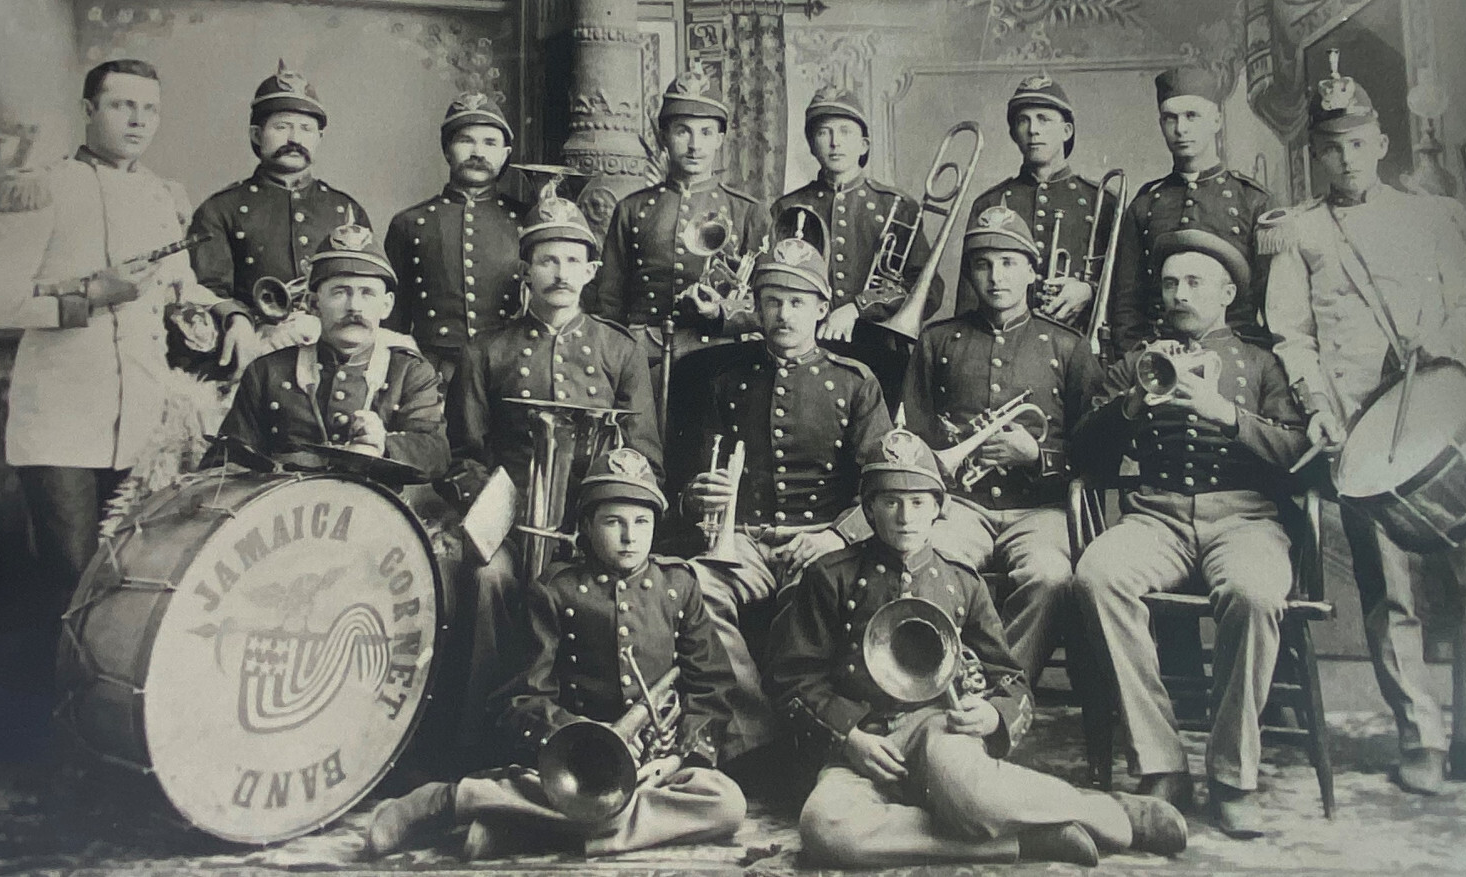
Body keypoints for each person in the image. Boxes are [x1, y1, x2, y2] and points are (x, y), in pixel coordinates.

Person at [1262, 57, 1466, 797]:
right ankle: (1420, 735)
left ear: (1381, 142)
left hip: (1436, 431)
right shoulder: (1299, 234)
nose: (1345, 158)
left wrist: (1449, 344)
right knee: (1392, 594)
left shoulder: (1430, 216)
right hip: (1361, 440)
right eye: (1329, 147)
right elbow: (1292, 335)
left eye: (1356, 142)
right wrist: (1319, 406)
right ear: (1313, 154)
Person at [769, 428, 1188, 868]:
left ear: (938, 509)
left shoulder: (962, 583)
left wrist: (992, 714)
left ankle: (1103, 810)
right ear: (869, 509)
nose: (905, 516)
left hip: (937, 730)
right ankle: (1024, 841)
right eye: (890, 501)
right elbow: (793, 680)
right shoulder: (829, 577)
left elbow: (1010, 680)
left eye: (918, 502)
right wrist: (849, 738)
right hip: (862, 744)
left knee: (974, 798)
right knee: (825, 828)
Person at [364, 447, 745, 860]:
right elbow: (521, 699)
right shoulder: (555, 590)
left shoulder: (679, 585)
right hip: (575, 763)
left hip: (654, 769)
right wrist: (582, 739)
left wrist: (675, 758)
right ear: (585, 526)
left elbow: (711, 685)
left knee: (725, 803)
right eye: (613, 522)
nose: (630, 536)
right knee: (578, 791)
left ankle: (514, 829)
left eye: (642, 522)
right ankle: (447, 799)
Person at [0, 58, 218, 634]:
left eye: (149, 109)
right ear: (88, 110)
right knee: (70, 586)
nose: (138, 121)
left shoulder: (162, 196)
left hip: (145, 423)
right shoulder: (41, 189)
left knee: (129, 582)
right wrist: (89, 296)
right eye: (122, 105)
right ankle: (52, 712)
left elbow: (182, 285)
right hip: (62, 424)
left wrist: (195, 313)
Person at [1072, 229, 1310, 838]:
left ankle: (1232, 775)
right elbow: (1087, 456)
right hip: (1157, 516)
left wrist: (1225, 414)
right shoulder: (1136, 362)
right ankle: (1161, 763)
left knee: (1255, 594)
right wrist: (1129, 406)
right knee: (1098, 577)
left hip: (1245, 517)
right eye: (1171, 282)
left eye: (1195, 282)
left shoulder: (1262, 364)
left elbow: (1298, 453)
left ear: (1228, 292)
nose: (1179, 294)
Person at [443, 193, 661, 764]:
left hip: (596, 519)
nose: (560, 273)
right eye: (546, 260)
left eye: (572, 261)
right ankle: (481, 737)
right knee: (489, 578)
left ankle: (600, 740)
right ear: (526, 269)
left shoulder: (621, 349)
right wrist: (494, 511)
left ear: (592, 270)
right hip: (512, 516)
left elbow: (644, 454)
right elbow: (464, 454)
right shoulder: (485, 350)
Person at [678, 236, 893, 758]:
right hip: (744, 538)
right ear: (755, 306)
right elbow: (696, 475)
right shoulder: (726, 380)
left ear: (822, 309)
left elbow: (882, 482)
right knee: (695, 588)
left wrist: (834, 536)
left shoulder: (855, 382)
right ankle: (755, 735)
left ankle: (812, 736)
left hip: (822, 540)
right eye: (772, 300)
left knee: (811, 603)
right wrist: (695, 495)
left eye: (797, 301)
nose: (783, 313)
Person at [898, 206, 1101, 679]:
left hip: (1041, 510)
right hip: (961, 506)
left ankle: (1001, 687)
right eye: (984, 264)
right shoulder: (938, 340)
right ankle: (937, 684)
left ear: (1032, 270)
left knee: (1050, 578)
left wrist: (1038, 456)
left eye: (1010, 263)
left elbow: (1095, 450)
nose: (996, 277)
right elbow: (915, 437)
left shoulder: (1069, 346)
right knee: (929, 568)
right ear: (970, 272)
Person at [216, 223, 448, 475]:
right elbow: (225, 461)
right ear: (313, 303)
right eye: (340, 292)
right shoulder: (266, 372)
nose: (354, 307)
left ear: (387, 305)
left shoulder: (410, 373)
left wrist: (383, 444)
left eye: (367, 293)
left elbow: (436, 452)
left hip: (378, 511)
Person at [188, 61, 370, 373]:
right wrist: (236, 318)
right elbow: (205, 288)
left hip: (333, 355)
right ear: (257, 135)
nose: (294, 139)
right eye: (282, 127)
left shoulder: (345, 210)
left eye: (306, 129)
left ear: (319, 138)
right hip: (254, 350)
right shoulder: (221, 209)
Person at [589, 67, 770, 379]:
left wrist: (721, 314)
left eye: (706, 133)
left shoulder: (747, 212)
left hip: (721, 355)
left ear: (720, 140)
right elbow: (609, 303)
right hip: (642, 354)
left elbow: (767, 303)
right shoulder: (631, 209)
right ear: (663, 137)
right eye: (682, 131)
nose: (694, 145)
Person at [769, 85, 943, 404]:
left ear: (863, 144)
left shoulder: (897, 205)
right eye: (824, 132)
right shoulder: (789, 208)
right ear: (811, 143)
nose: (835, 142)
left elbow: (928, 288)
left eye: (845, 132)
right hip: (807, 353)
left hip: (879, 355)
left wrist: (858, 307)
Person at [1108, 67, 1272, 353]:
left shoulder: (1252, 200)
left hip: (1238, 355)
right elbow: (1127, 306)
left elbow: (1274, 305)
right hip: (1160, 357)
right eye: (1170, 118)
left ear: (1217, 120)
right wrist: (1141, 355)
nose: (1180, 129)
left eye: (1192, 116)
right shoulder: (1145, 204)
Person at [384, 93, 527, 381]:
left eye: (490, 143)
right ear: (447, 150)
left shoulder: (525, 221)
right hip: (433, 374)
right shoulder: (409, 224)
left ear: (505, 154)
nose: (478, 152)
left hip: (511, 372)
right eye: (466, 140)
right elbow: (393, 320)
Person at [961, 76, 1112, 333]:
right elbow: (969, 299)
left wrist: (1090, 291)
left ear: (1067, 131)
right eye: (1023, 120)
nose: (1033, 130)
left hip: (1080, 340)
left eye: (1044, 119)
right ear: (1013, 134)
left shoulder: (1102, 200)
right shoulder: (990, 202)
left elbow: (1127, 290)